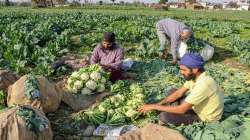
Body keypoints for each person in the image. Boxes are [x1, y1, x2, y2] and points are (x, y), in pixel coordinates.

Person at [139, 53, 224, 125]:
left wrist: (155, 106)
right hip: (197, 106)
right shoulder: (194, 77)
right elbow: (178, 93)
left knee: (164, 116)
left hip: (204, 117)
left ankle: (172, 110)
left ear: (195, 69)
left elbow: (182, 110)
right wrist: (160, 103)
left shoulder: (204, 84)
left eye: (184, 70)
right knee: (172, 91)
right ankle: (172, 109)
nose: (181, 72)